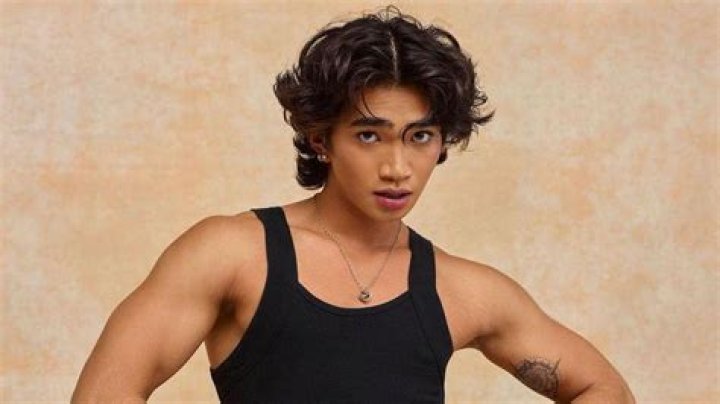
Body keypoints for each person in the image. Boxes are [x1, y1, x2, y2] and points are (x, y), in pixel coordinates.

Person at [72, 7, 634, 403]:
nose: (397, 166)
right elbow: (103, 394)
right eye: (370, 135)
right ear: (321, 138)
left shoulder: (463, 290)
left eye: (419, 136)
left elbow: (602, 389)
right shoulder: (233, 254)